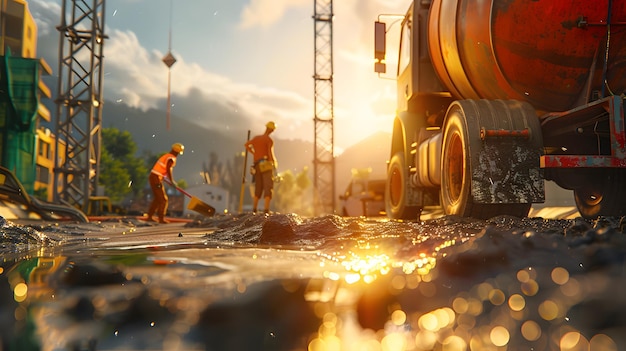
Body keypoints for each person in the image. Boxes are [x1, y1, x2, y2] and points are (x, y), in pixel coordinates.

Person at [245, 121, 278, 213]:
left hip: (256, 166)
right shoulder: (269, 140)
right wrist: (273, 164)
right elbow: (269, 153)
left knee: (258, 186)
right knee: (268, 186)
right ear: (271, 130)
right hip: (266, 165)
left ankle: (254, 209)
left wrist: (254, 153)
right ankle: (266, 210)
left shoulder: (256, 138)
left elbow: (246, 145)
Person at [146, 143, 184, 223]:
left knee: (158, 198)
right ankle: (161, 218)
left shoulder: (166, 156)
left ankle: (150, 216)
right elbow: (168, 169)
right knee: (163, 199)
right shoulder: (171, 158)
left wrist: (163, 177)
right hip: (156, 179)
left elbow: (161, 170)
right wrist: (172, 181)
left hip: (154, 177)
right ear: (177, 152)